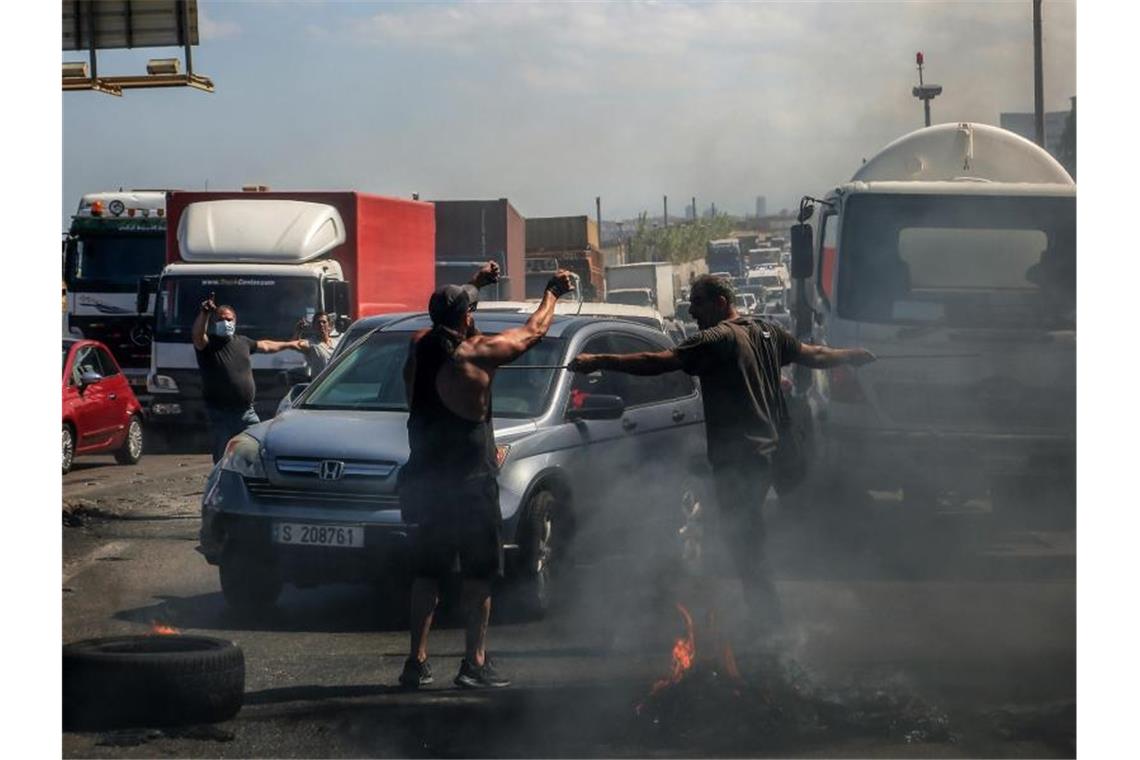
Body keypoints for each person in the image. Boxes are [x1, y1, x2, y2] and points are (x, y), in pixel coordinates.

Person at [568, 274, 875, 637]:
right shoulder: (766, 331)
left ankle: (767, 623)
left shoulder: (717, 338)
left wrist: (598, 360)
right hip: (769, 452)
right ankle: (764, 617)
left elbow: (657, 361)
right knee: (746, 537)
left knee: (744, 541)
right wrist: (852, 357)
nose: (692, 311)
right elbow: (816, 354)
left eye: (698, 302)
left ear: (719, 302)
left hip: (739, 457)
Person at [397, 261, 574, 690]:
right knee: (479, 575)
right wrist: (551, 293)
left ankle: (415, 664)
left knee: (427, 573)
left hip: (424, 479)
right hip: (469, 484)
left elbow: (449, 317)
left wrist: (474, 285)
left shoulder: (417, 348)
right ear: (466, 319)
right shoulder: (473, 353)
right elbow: (532, 333)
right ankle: (474, 663)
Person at [192, 296, 307, 463]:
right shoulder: (208, 345)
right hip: (221, 413)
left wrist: (290, 344)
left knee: (257, 448)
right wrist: (204, 313)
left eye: (228, 319)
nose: (225, 322)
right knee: (223, 455)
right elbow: (197, 335)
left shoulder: (243, 342)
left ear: (235, 321)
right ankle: (221, 484)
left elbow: (267, 345)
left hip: (246, 412)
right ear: (213, 322)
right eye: (220, 319)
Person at [294, 311, 339, 376]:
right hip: (322, 384)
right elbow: (295, 345)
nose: (321, 324)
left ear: (329, 325)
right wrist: (298, 331)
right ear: (314, 326)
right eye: (318, 323)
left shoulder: (337, 343)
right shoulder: (311, 344)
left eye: (324, 322)